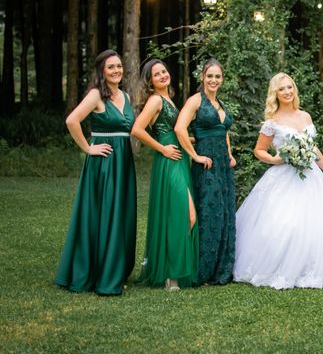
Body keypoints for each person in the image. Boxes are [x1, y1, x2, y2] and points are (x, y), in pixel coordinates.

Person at [234, 73, 323, 289]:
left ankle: (314, 267)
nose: (287, 92)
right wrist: (275, 159)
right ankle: (280, 267)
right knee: (285, 224)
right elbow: (259, 150)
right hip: (283, 177)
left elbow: (312, 148)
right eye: (282, 89)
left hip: (311, 177)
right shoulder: (272, 122)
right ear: (275, 93)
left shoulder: (305, 116)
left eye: (290, 87)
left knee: (320, 224)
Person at [54, 49, 137, 296]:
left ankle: (114, 268)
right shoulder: (95, 95)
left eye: (119, 66)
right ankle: (96, 273)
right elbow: (72, 120)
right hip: (104, 164)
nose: (116, 71)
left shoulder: (126, 96)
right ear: (102, 71)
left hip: (124, 164)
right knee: (102, 214)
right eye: (111, 67)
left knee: (120, 215)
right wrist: (88, 148)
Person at [131, 59, 198, 291]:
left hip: (180, 159)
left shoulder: (168, 99)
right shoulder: (155, 100)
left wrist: (197, 140)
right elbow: (137, 129)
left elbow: (173, 131)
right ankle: (171, 274)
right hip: (168, 160)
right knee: (183, 215)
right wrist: (162, 149)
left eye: (164, 71)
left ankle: (175, 271)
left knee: (184, 215)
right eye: (156, 74)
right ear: (149, 81)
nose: (162, 75)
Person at [175, 58, 236, 286]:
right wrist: (195, 155)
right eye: (209, 76)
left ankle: (221, 269)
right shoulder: (195, 101)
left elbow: (224, 131)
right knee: (209, 213)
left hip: (223, 165)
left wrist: (229, 154)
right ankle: (202, 269)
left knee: (225, 212)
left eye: (217, 76)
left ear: (222, 79)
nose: (213, 80)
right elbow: (180, 128)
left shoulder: (219, 103)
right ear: (202, 77)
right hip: (206, 164)